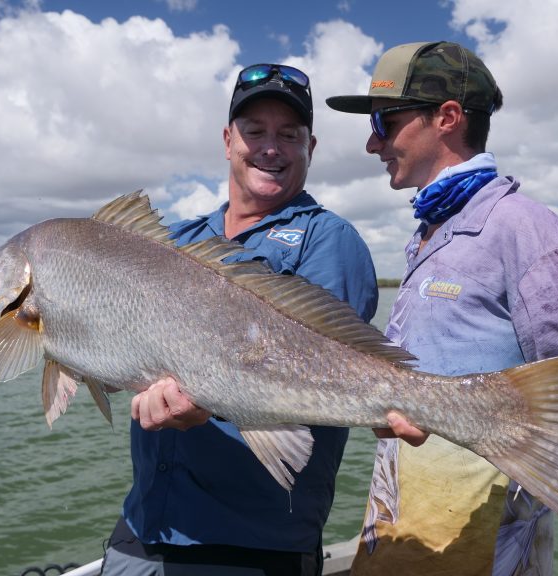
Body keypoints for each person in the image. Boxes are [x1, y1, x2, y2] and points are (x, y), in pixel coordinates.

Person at [326, 41, 558, 575]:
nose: (371, 143)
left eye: (383, 121)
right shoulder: (430, 231)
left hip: (479, 554)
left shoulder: (523, 227)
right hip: (404, 546)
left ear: (446, 118)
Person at [100, 63, 379, 576]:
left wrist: (207, 406)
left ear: (310, 148)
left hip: (253, 547)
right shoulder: (177, 240)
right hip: (142, 530)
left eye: (288, 135)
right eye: (254, 131)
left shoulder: (329, 241)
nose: (270, 147)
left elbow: (320, 380)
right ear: (228, 140)